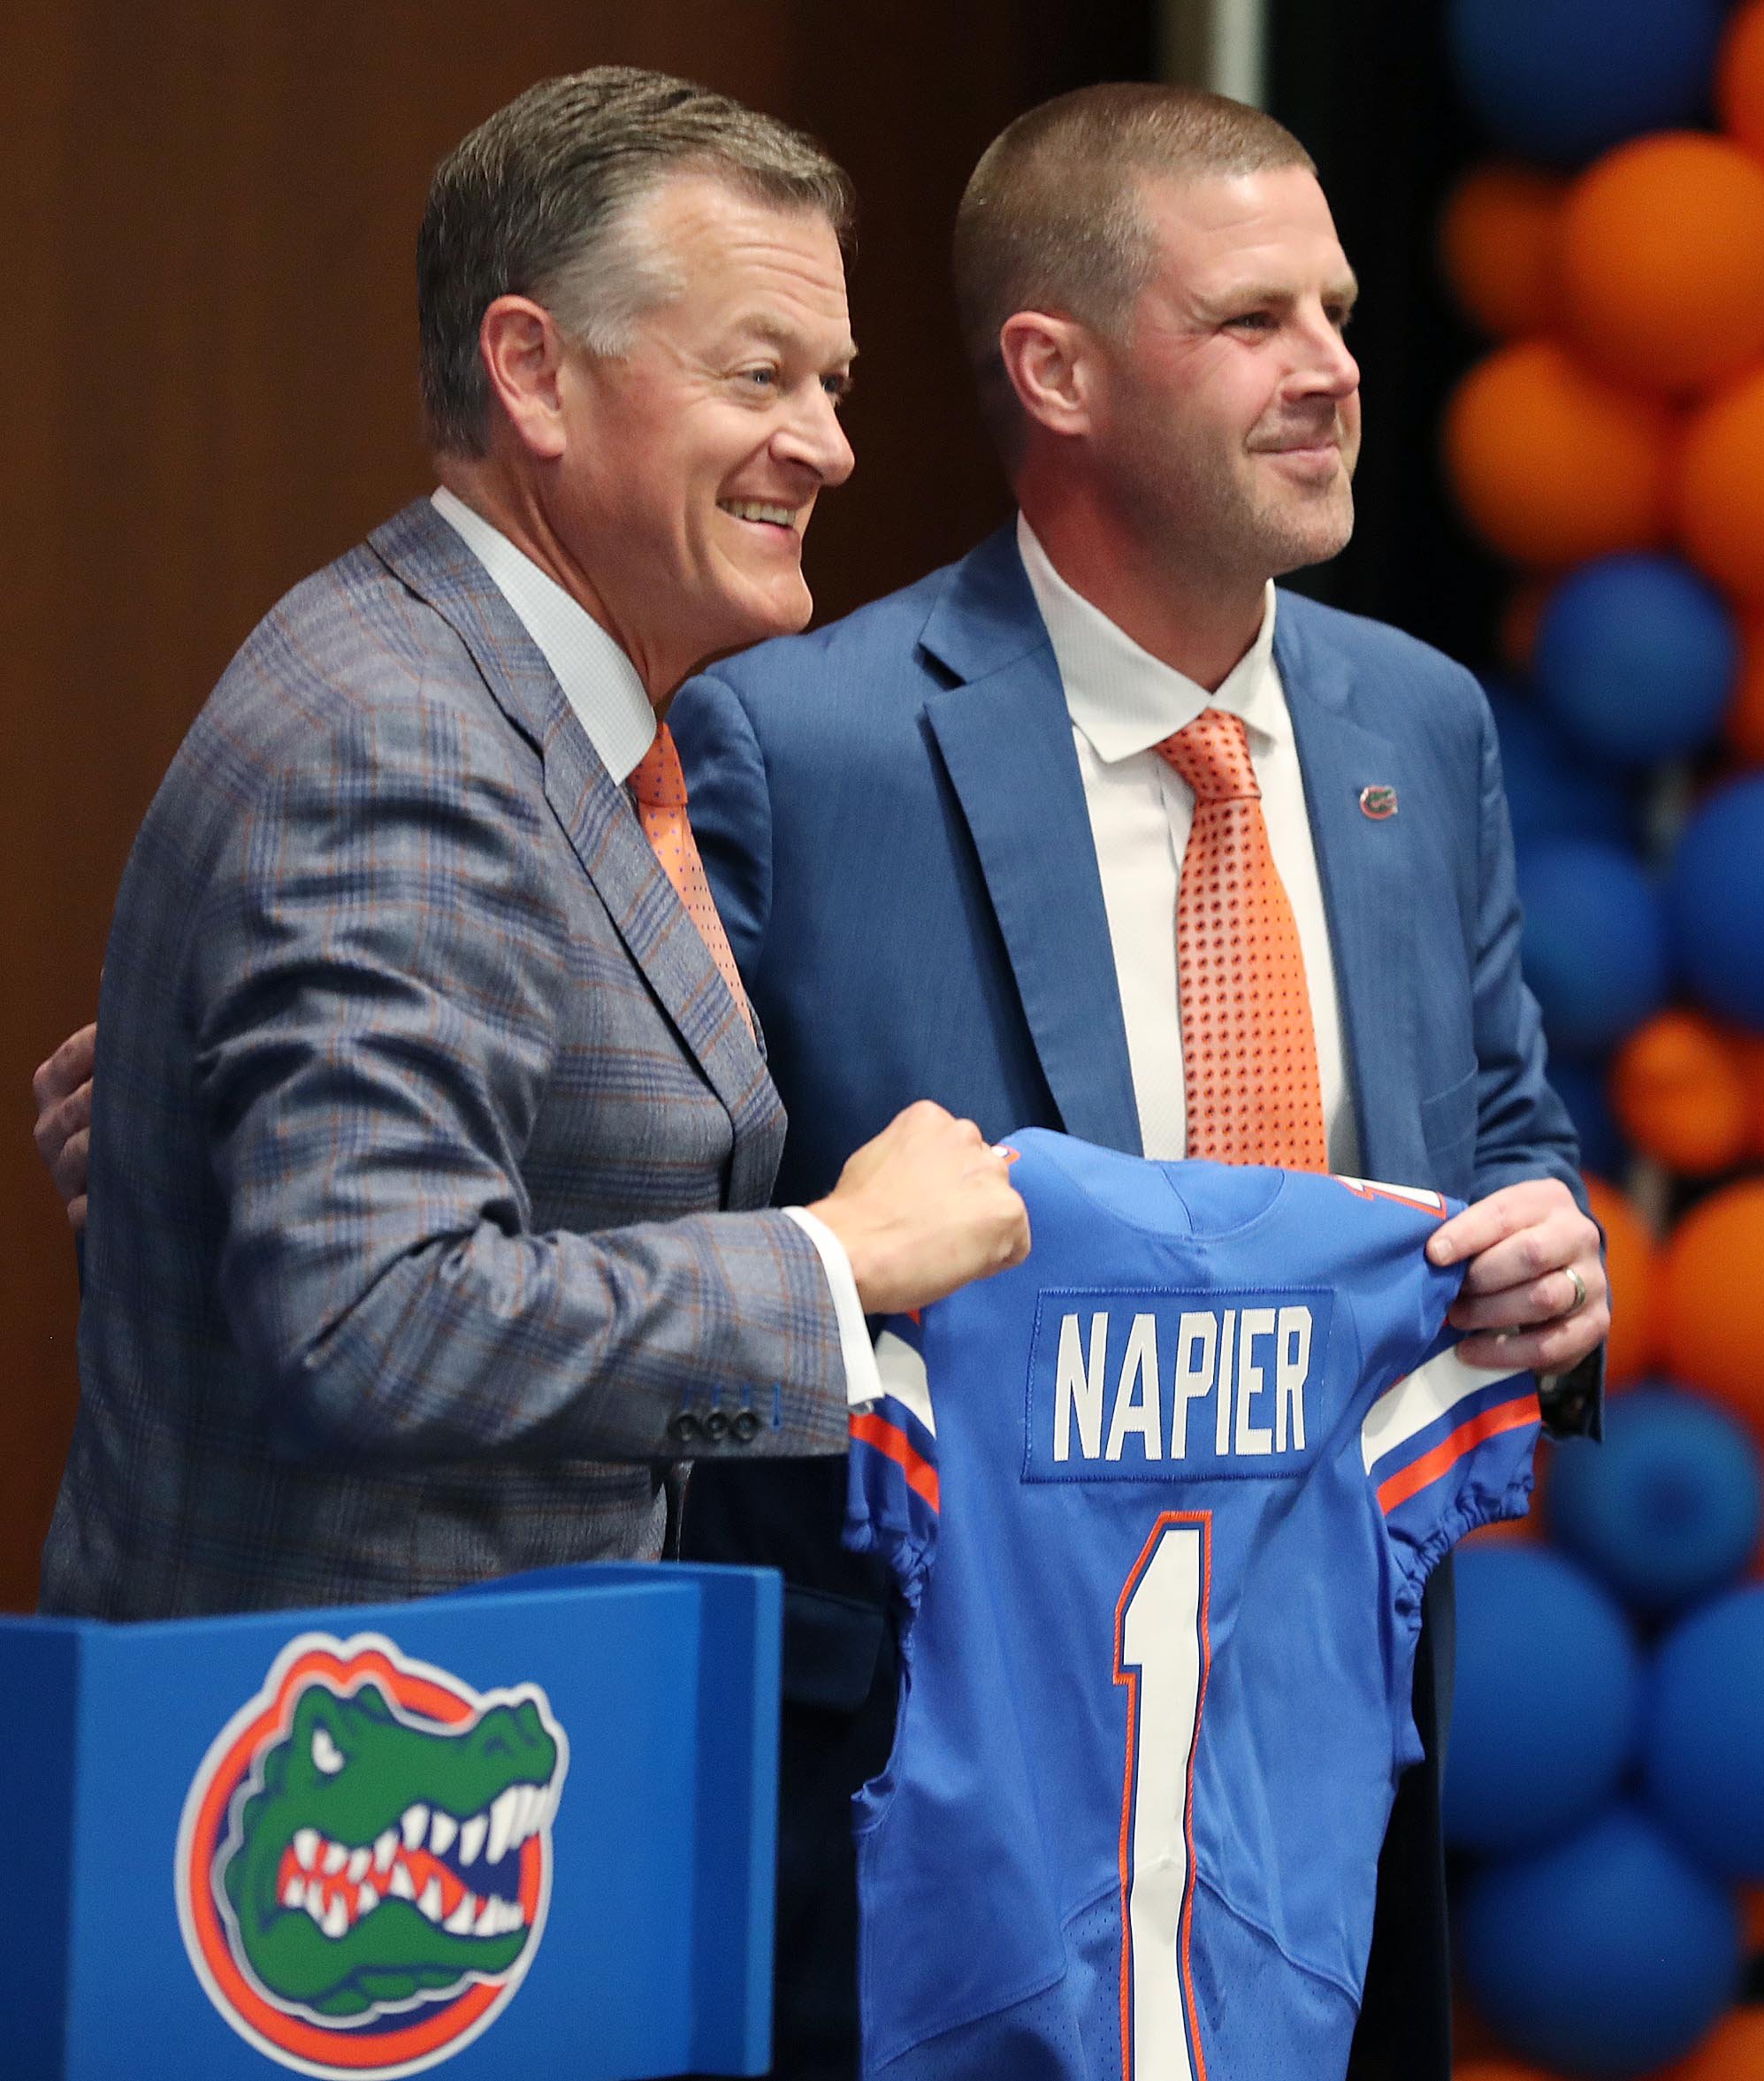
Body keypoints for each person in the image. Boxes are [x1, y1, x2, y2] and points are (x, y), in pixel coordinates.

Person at [662, 84, 1607, 2081]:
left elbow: (1505, 1126)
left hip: (1328, 1786)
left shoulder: (1419, 726)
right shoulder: (793, 747)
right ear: (1056, 369)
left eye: (1338, 312)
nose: (1331, 371)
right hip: (946, 1825)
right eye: (1254, 320)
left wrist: (1555, 1258)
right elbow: (663, 1265)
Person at [30, 66, 1027, 1626]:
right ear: (534, 375)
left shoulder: (507, 702)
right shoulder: (404, 739)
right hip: (333, 1801)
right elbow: (372, 1320)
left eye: (833, 383)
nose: (828, 445)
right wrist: (834, 1260)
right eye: (761, 375)